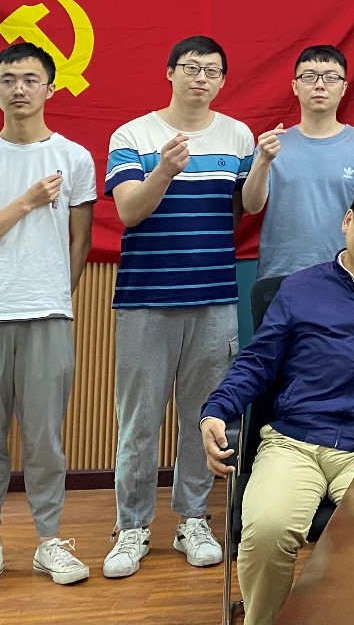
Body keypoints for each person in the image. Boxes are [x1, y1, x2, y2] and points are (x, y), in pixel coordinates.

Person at [199, 184, 354, 625]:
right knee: (268, 531)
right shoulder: (299, 288)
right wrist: (217, 409)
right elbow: (258, 362)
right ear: (348, 221)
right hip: (295, 442)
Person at [0, 42, 96, 598]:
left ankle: (49, 541)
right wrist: (25, 203)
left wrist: (56, 294)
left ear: (50, 88)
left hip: (47, 316)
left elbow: (80, 242)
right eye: (9, 79)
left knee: (45, 439)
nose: (20, 89)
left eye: (31, 79)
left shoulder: (74, 158)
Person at [102, 35, 256, 579]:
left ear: (222, 80)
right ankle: (132, 526)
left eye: (211, 70)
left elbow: (244, 209)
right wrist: (164, 170)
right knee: (138, 421)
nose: (200, 78)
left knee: (205, 418)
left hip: (214, 300)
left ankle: (193, 518)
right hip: (146, 299)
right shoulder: (134, 135)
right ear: (169, 72)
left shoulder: (238, 135)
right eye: (190, 67)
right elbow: (129, 213)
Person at [250, 44, 354, 282]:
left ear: (344, 88)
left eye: (331, 77)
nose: (320, 85)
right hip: (281, 273)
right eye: (309, 77)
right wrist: (263, 160)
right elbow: (252, 206)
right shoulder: (272, 144)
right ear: (295, 86)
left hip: (346, 273)